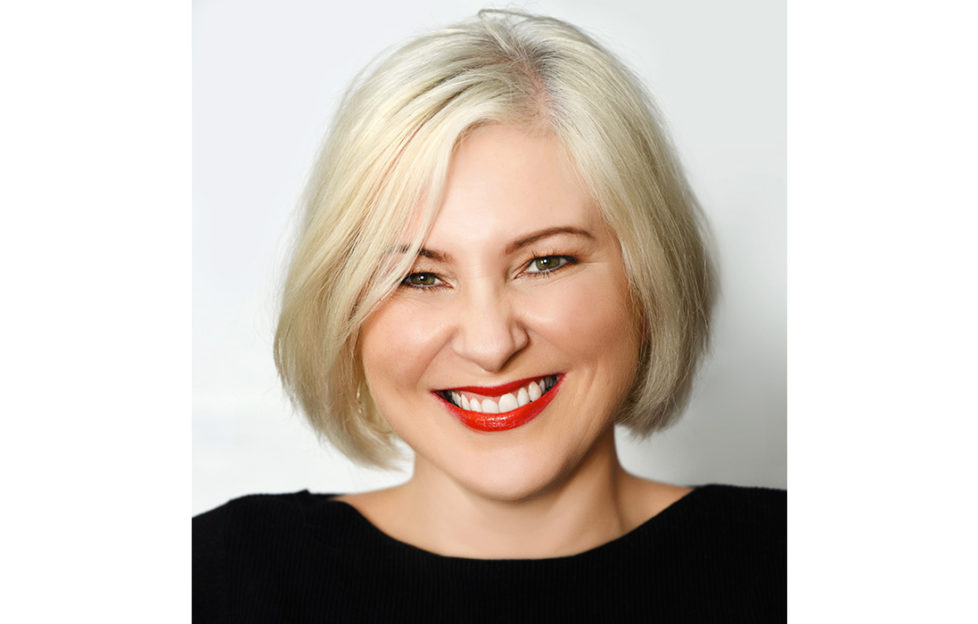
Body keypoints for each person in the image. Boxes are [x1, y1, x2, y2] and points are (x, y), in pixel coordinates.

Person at [194, 10, 785, 621]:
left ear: (647, 276)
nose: (490, 343)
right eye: (420, 277)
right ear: (345, 311)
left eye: (546, 262)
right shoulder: (215, 579)